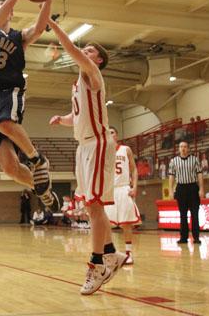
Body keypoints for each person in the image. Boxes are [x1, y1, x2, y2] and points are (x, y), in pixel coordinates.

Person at [48, 18, 127, 295]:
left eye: (92, 51)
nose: (87, 52)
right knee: (94, 207)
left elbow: (71, 48)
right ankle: (111, 254)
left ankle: (96, 265)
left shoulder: (93, 73)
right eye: (88, 50)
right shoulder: (78, 84)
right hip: (84, 146)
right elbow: (78, 115)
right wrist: (63, 119)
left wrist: (52, 24)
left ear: (99, 61)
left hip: (98, 143)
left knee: (94, 205)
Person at [0, 0, 58, 210]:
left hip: (9, 91)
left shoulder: (18, 37)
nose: (1, 10)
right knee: (9, 168)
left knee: (4, 122)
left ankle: (38, 159)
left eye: (4, 7)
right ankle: (41, 189)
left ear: (11, 13)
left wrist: (48, 0)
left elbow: (40, 28)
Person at [105, 127, 141, 265]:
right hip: (110, 191)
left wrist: (135, 187)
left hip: (124, 188)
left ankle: (128, 253)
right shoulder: (104, 152)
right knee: (106, 224)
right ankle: (110, 253)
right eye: (108, 132)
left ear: (117, 135)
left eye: (112, 132)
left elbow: (134, 169)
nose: (110, 134)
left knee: (126, 224)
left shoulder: (126, 149)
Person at [168, 141, 204, 245]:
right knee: (182, 214)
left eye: (185, 147)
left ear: (188, 148)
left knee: (195, 214)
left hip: (192, 187)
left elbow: (200, 175)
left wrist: (201, 189)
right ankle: (183, 237)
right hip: (181, 188)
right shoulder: (174, 161)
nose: (183, 148)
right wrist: (171, 190)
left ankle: (196, 237)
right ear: (178, 149)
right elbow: (171, 176)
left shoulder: (194, 159)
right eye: (181, 147)